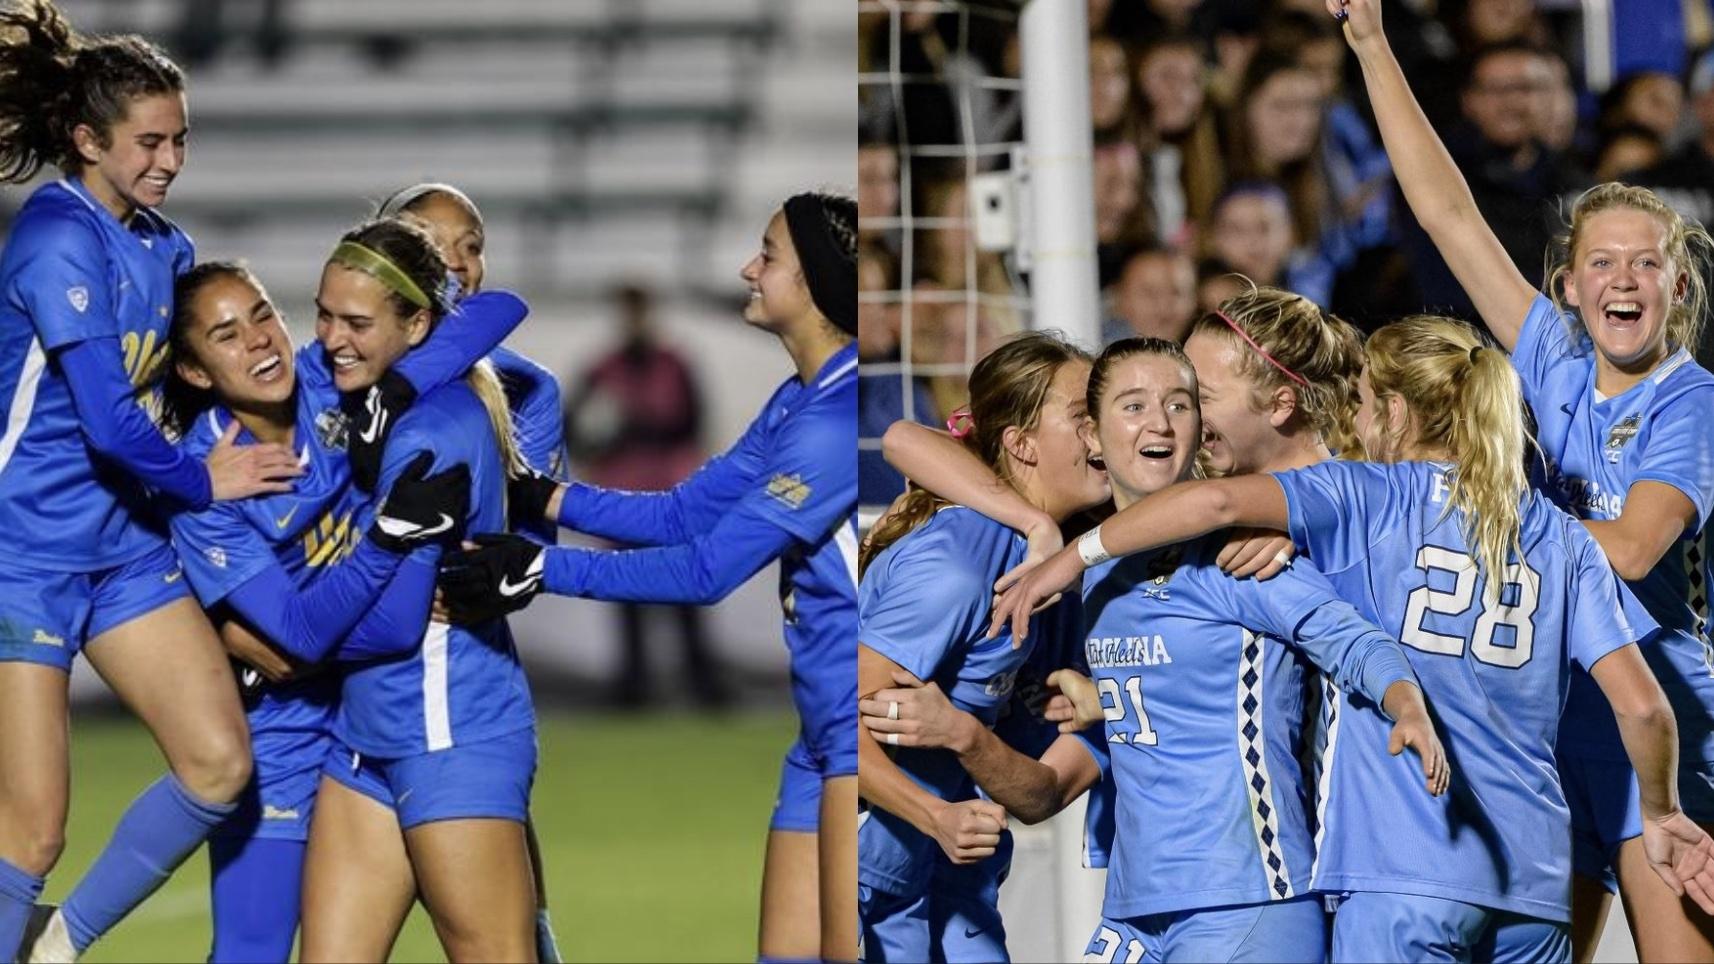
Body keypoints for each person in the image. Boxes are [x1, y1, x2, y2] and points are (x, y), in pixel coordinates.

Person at [995, 313, 1714, 960]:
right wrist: (1662, 812)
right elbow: (1646, 709)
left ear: (1396, 412)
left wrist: (1072, 554)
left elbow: (1213, 499)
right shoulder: (1560, 534)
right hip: (1533, 892)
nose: (1353, 423)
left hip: (1400, 878)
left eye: (1365, 402)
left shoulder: (1367, 499)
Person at [1331, 0, 1714, 956]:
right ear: (1570, 285)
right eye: (1601, 264)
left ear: (1678, 285)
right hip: (1539, 707)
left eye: (1645, 264)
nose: (1623, 280)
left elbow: (1628, 552)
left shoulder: (1692, 400)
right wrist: (1374, 46)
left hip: (1653, 708)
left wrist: (1469, 517)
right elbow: (1445, 212)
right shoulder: (1550, 353)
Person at [868, 336, 1445, 963]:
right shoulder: (1078, 581)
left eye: (1179, 404)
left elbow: (1355, 640)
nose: (1159, 423)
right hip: (1136, 908)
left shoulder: (1238, 555)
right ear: (1093, 433)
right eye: (1132, 405)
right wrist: (968, 741)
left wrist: (1406, 703)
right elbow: (1039, 794)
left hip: (1244, 898)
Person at [436, 191, 859, 962]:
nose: (747, 269)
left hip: (864, 734)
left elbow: (707, 570)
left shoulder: (836, 420)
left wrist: (536, 567)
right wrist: (547, 496)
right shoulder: (802, 399)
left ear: (817, 285)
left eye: (768, 256)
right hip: (824, 735)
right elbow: (684, 513)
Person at [0, 4, 308, 958]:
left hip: (123, 548)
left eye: (181, 138)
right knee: (34, 828)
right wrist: (204, 486)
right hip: (24, 557)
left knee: (219, 764)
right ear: (87, 142)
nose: (170, 158)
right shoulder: (58, 238)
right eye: (149, 141)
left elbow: (184, 390)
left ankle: (57, 945)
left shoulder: (163, 247)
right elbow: (109, 419)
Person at [159, 260, 526, 963]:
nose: (260, 342)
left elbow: (499, 308)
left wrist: (399, 385)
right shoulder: (204, 484)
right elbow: (296, 633)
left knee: (499, 928)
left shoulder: (329, 379)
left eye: (264, 314)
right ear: (197, 372)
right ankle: (65, 933)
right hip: (284, 731)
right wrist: (392, 544)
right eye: (227, 335)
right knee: (253, 950)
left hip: (369, 713)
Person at [288, 218, 540, 962]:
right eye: (324, 313)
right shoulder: (372, 392)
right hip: (367, 737)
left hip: (449, 735)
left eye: (357, 322)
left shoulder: (432, 432)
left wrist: (287, 644)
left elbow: (399, 622)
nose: (332, 337)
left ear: (419, 323)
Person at [857, 332, 1109, 962]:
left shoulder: (1076, 576)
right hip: (875, 873)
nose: (1101, 432)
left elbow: (1041, 794)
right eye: (1082, 415)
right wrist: (929, 811)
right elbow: (837, 722)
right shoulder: (961, 566)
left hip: (948, 876)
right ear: (1020, 444)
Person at [564, 283, 729, 709]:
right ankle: (634, 689)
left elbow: (693, 422)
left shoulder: (673, 363)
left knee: (686, 592)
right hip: (627, 488)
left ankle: (703, 685)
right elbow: (570, 422)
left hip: (670, 486)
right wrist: (598, 451)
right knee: (627, 595)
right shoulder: (605, 366)